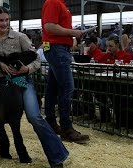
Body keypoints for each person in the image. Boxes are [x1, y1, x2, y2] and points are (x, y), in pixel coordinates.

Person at [0, 6, 68, 168]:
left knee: (34, 116)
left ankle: (57, 157)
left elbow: (36, 60)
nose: (5, 23)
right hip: (0, 83)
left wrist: (26, 70)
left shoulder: (20, 37)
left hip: (22, 83)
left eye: (7, 20)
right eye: (0, 20)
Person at [41, 0, 89, 144]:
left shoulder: (60, 3)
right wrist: (73, 32)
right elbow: (49, 26)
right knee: (67, 87)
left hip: (57, 48)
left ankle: (50, 122)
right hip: (57, 47)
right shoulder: (54, 2)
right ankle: (66, 127)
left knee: (53, 87)